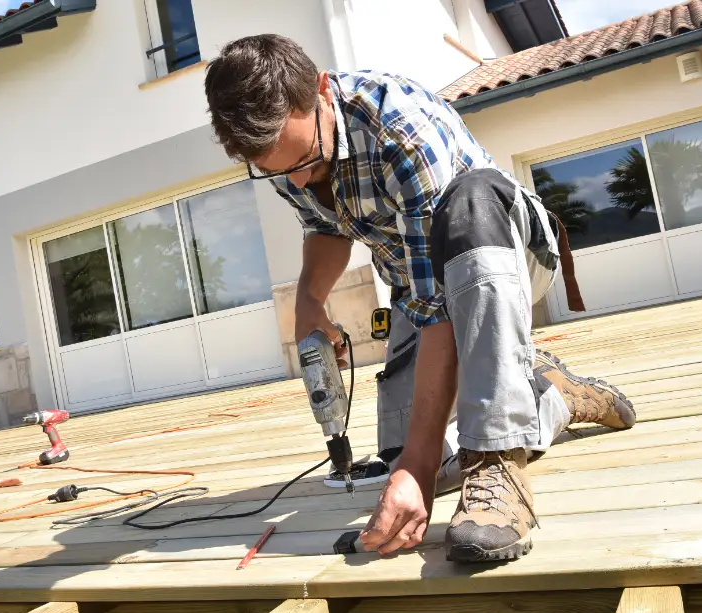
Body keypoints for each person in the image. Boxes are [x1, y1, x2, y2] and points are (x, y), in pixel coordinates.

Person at [203, 34, 636, 563]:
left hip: (504, 251)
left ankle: (498, 462)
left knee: (470, 196)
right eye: (276, 170)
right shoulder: (284, 147)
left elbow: (442, 307)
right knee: (404, 457)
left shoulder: (398, 126)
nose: (295, 178)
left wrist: (420, 464)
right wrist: (309, 300)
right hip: (419, 288)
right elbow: (327, 229)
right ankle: (554, 397)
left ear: (321, 91)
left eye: (306, 159)